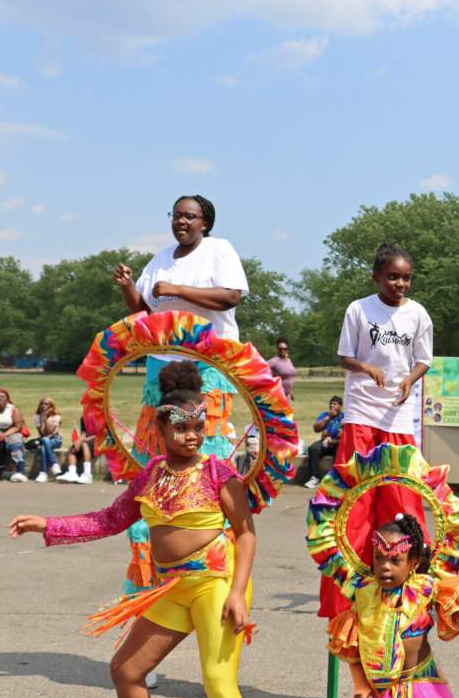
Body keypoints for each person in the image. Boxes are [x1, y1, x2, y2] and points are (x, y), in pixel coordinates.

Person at [8, 361, 273, 698]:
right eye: (182, 428)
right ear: (159, 428)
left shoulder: (217, 472)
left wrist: (237, 592)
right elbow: (109, 520)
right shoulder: (150, 475)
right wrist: (47, 524)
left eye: (199, 428)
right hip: (173, 587)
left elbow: (246, 533)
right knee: (126, 670)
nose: (192, 437)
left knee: (217, 682)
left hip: (216, 582)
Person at [306, 444, 459, 698]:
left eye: (394, 561)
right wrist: (358, 683)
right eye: (378, 558)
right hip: (378, 689)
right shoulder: (364, 593)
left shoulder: (426, 588)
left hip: (417, 687)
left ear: (412, 562)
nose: (384, 567)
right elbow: (353, 646)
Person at [323, 242, 433, 619]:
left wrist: (409, 381)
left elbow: (423, 360)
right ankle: (349, 589)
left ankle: (411, 583)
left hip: (398, 418)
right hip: (361, 414)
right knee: (357, 502)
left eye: (406, 278)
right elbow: (343, 356)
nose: (400, 284)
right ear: (377, 277)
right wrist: (365, 368)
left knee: (402, 502)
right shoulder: (359, 309)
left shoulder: (418, 314)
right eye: (393, 277)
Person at [112, 194, 250, 464]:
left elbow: (231, 296)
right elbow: (144, 311)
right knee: (158, 431)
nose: (181, 221)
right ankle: (157, 495)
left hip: (207, 359)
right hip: (163, 360)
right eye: (176, 215)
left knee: (202, 431)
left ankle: (206, 494)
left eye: (189, 216)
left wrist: (177, 290)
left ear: (205, 224)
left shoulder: (218, 250)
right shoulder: (161, 257)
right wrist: (127, 286)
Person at [303, 395, 344, 488]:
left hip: (337, 443)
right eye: (331, 404)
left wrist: (333, 440)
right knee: (313, 448)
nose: (332, 406)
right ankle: (314, 478)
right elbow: (316, 428)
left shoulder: (343, 417)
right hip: (325, 442)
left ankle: (337, 479)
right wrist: (327, 418)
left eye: (335, 404)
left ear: (340, 406)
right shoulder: (325, 415)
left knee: (341, 450)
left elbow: (343, 434)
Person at [33, 397, 63, 483]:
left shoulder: (56, 416)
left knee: (45, 444)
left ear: (51, 406)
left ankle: (43, 473)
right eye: (42, 404)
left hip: (56, 440)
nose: (43, 406)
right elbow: (42, 434)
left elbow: (51, 432)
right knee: (45, 442)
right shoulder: (37, 417)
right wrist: (42, 419)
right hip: (45, 439)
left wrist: (45, 420)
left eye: (46, 404)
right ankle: (54, 465)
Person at [57, 418, 95, 484]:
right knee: (74, 446)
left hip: (101, 441)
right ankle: (72, 473)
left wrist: (84, 440)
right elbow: (83, 434)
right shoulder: (84, 417)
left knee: (84, 444)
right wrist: (78, 441)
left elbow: (102, 434)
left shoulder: (103, 415)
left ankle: (87, 474)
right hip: (87, 441)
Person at [267, 337, 297, 401]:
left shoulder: (289, 360)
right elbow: (262, 369)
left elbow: (290, 377)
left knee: (286, 411)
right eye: (280, 349)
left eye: (285, 349)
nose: (282, 351)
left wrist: (291, 391)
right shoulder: (274, 361)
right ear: (277, 349)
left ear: (287, 349)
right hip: (277, 395)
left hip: (287, 395)